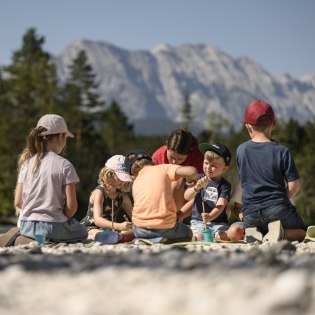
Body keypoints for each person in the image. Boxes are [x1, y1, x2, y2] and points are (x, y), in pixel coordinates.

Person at [236, 100, 307, 242]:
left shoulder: (241, 150)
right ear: (273, 125)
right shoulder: (282, 151)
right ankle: (280, 234)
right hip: (277, 209)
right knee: (302, 232)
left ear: (248, 127)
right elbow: (294, 184)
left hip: (250, 214)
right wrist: (283, 199)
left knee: (260, 223)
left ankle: (256, 233)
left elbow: (244, 183)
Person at [14, 114, 87, 244]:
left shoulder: (26, 164)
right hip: (53, 227)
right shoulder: (65, 165)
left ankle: (28, 238)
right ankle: (50, 238)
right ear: (61, 137)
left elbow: (19, 202)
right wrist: (63, 219)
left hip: (27, 226)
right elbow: (71, 208)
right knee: (82, 230)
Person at [124, 149, 198, 243]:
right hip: (164, 227)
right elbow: (193, 171)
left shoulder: (136, 182)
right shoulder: (163, 168)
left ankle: (146, 239)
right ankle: (161, 240)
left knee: (143, 231)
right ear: (152, 161)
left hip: (139, 229)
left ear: (132, 174)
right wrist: (191, 181)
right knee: (189, 233)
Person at [184, 143, 244, 241]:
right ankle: (196, 236)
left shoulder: (225, 185)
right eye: (206, 163)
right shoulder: (199, 178)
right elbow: (187, 196)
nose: (208, 167)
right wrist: (196, 187)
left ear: (224, 169)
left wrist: (210, 216)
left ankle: (214, 236)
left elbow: (220, 205)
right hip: (199, 221)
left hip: (218, 223)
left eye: (213, 166)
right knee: (198, 236)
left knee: (223, 236)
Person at [152, 128, 204, 221]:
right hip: (161, 201)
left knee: (178, 180)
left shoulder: (198, 159)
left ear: (190, 151)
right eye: (171, 157)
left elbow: (202, 194)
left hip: (188, 201)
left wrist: (177, 217)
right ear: (167, 145)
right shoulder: (158, 156)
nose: (174, 162)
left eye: (180, 159)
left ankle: (174, 221)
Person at [81, 155, 134, 243]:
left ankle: (116, 237)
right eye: (121, 177)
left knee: (135, 231)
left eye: (125, 178)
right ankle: (116, 237)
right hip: (92, 227)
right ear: (109, 174)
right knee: (95, 233)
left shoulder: (122, 196)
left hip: (110, 229)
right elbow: (97, 220)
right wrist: (119, 226)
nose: (123, 181)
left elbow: (134, 216)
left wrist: (135, 225)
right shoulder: (99, 193)